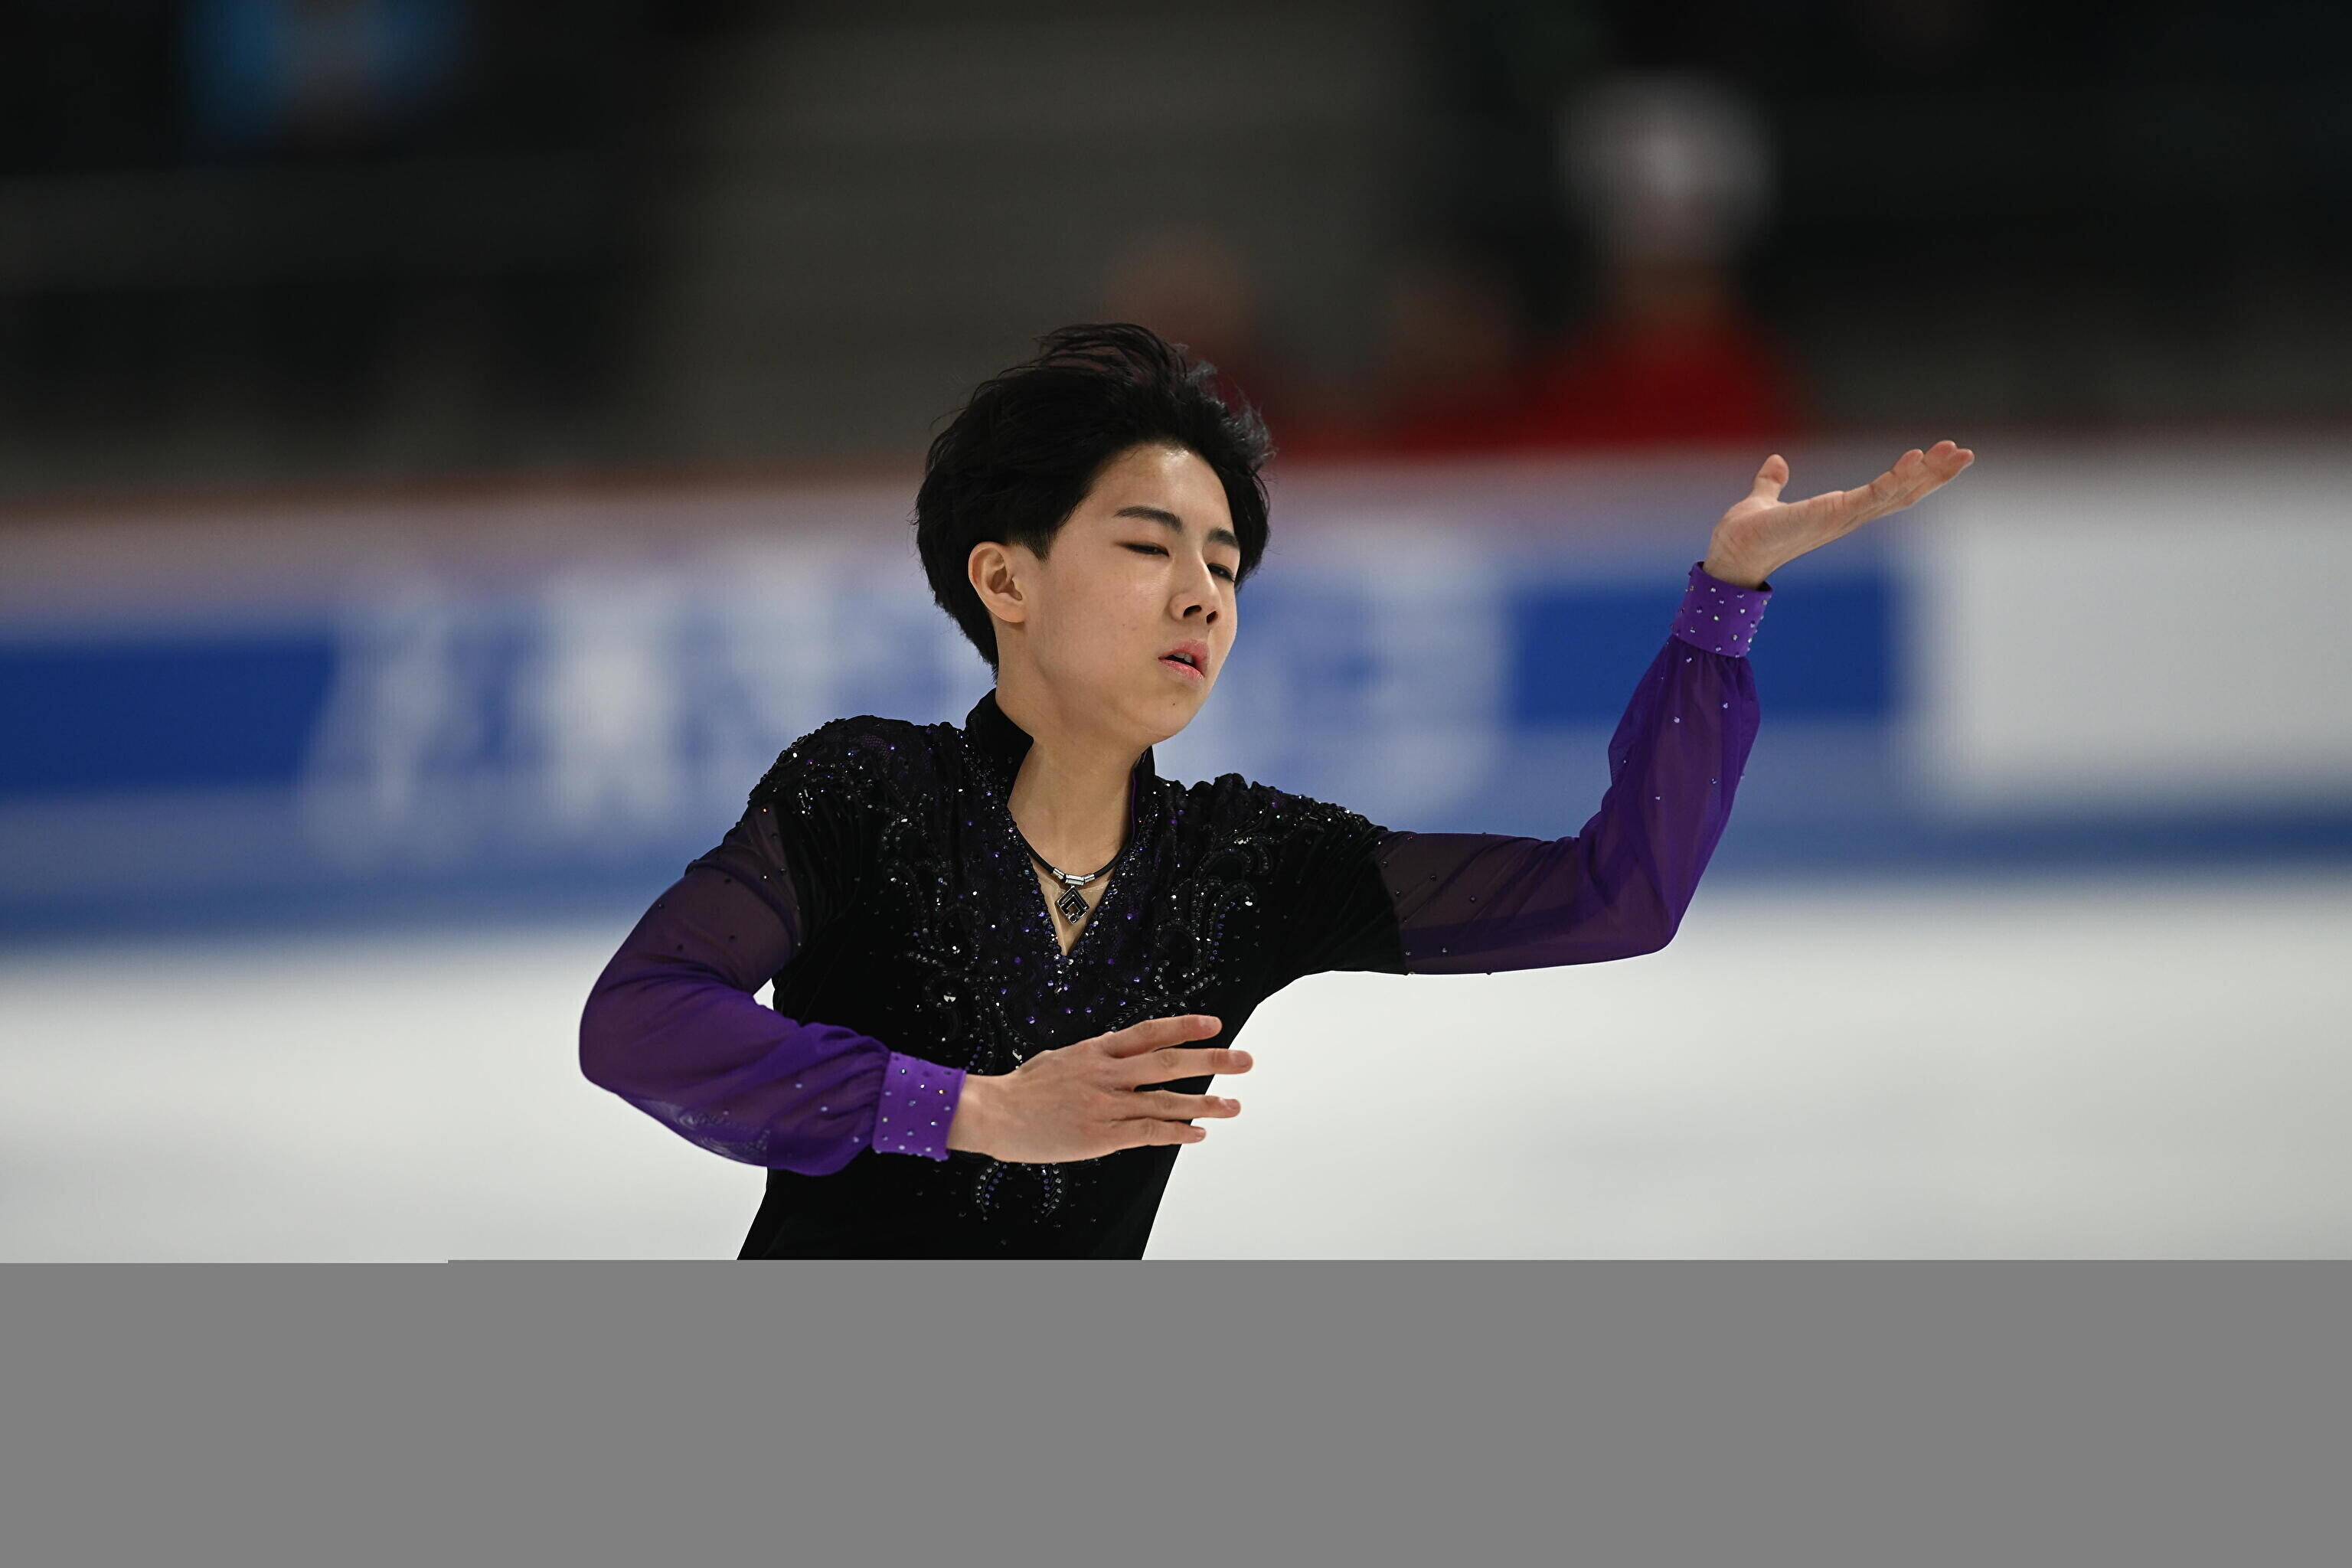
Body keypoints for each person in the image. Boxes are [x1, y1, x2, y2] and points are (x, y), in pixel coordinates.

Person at [577, 322, 1972, 1257]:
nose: (1201, 594)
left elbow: (1618, 895)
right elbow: (637, 1022)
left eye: (1226, 565)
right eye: (1148, 546)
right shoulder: (869, 794)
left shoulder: (1239, 864)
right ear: (1005, 577)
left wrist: (1723, 601)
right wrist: (974, 1109)